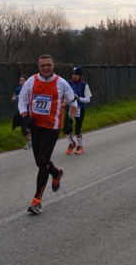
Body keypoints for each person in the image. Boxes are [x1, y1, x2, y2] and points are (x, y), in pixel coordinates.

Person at [18, 54, 77, 214]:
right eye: (42, 65)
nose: (46, 68)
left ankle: (37, 200)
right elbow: (22, 101)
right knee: (40, 162)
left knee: (43, 161)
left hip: (52, 127)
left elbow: (73, 102)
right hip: (36, 126)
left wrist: (70, 120)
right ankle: (56, 173)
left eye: (48, 65)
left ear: (53, 65)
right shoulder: (31, 81)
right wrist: (25, 118)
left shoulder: (61, 83)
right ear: (38, 67)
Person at [64, 66, 92, 155]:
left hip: (80, 109)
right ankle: (72, 143)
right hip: (70, 108)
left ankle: (80, 146)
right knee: (66, 128)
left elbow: (88, 100)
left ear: (80, 76)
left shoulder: (84, 85)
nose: (74, 76)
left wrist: (78, 98)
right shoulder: (68, 84)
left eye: (76, 75)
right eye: (73, 74)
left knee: (77, 129)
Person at [12, 75, 31, 150]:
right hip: (22, 111)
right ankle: (29, 141)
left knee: (29, 127)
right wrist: (17, 98)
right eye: (21, 80)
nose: (22, 81)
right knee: (23, 129)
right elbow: (13, 98)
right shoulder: (18, 89)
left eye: (24, 80)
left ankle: (32, 141)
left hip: (30, 111)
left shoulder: (30, 88)